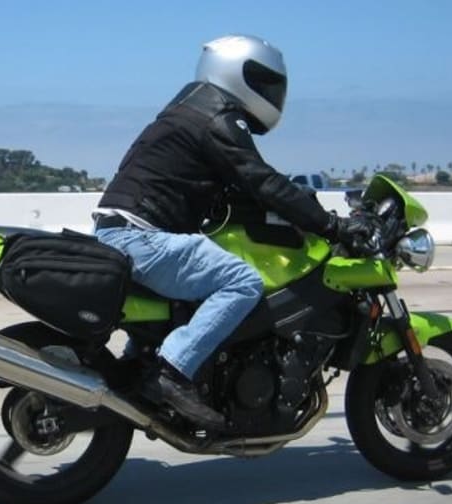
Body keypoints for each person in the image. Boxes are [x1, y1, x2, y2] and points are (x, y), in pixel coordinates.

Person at [93, 35, 379, 429]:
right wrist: (333, 225)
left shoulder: (188, 110)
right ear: (237, 73)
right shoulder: (215, 117)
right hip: (142, 237)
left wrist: (299, 207)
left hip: (125, 232)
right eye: (265, 82)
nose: (271, 94)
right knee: (242, 281)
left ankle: (140, 366)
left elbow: (242, 189)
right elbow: (261, 180)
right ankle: (171, 370)